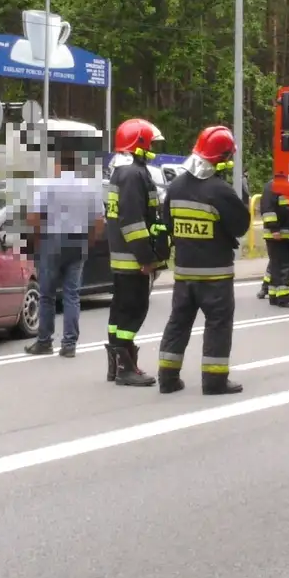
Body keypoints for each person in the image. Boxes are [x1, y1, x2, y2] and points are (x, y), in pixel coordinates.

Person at [155, 125, 252, 396]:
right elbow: (241, 226)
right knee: (218, 326)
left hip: (184, 274)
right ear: (222, 158)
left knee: (178, 323)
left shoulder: (174, 187)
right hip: (216, 276)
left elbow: (168, 223)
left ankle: (167, 378)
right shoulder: (220, 191)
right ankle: (214, 381)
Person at [23, 146, 104, 359]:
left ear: (59, 165)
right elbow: (99, 220)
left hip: (52, 241)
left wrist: (37, 239)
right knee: (72, 294)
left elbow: (33, 217)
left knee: (47, 295)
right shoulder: (90, 187)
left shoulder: (46, 186)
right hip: (78, 242)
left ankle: (44, 341)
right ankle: (69, 344)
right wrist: (90, 240)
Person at [103, 118, 165, 387]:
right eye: (150, 140)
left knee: (121, 312)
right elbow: (133, 222)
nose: (153, 145)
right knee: (133, 310)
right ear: (139, 143)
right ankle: (125, 369)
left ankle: (117, 365)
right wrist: (146, 258)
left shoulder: (123, 171)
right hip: (133, 260)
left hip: (123, 257)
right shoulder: (133, 174)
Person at [258, 176, 289, 307]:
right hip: (277, 233)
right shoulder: (273, 186)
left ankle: (274, 296)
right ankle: (285, 298)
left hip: (286, 233)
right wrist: (274, 228)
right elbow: (267, 209)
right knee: (282, 267)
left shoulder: (288, 185)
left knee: (277, 266)